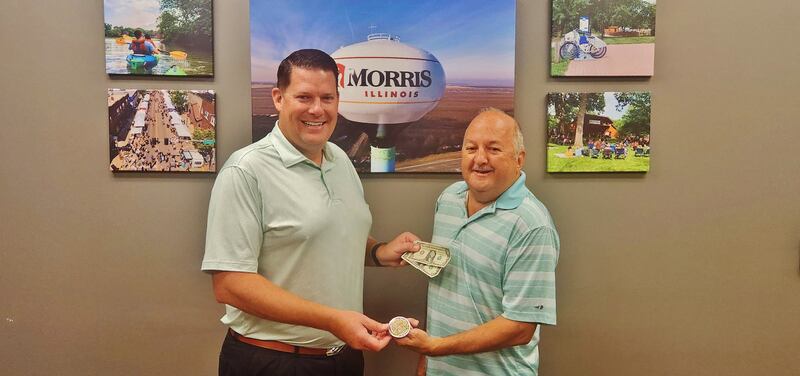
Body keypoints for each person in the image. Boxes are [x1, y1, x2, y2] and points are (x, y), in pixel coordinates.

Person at [202, 49, 420, 376]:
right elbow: (230, 284)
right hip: (272, 361)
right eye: (304, 97)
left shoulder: (339, 160)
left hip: (343, 357)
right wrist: (333, 319)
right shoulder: (246, 171)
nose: (317, 109)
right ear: (278, 98)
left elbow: (328, 233)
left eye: (327, 98)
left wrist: (379, 251)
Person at [396, 108, 560, 376]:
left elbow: (520, 327)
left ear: (519, 159)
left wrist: (436, 347)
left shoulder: (532, 225)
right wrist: (428, 359)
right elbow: (444, 287)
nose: (480, 159)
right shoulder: (448, 199)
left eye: (494, 149)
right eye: (471, 148)